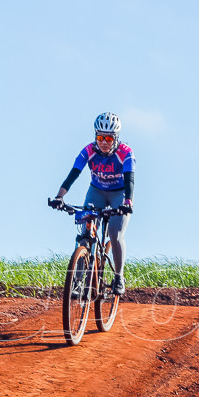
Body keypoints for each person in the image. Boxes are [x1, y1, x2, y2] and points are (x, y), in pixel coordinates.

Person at [50, 112, 134, 295]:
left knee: (115, 232)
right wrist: (59, 197)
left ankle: (119, 276)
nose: (104, 142)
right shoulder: (88, 150)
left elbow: (129, 181)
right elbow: (73, 174)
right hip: (96, 191)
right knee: (86, 231)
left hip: (119, 194)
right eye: (100, 137)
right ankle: (78, 281)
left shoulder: (125, 153)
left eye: (109, 138)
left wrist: (128, 202)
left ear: (115, 138)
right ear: (96, 136)